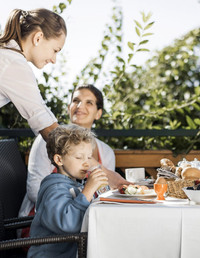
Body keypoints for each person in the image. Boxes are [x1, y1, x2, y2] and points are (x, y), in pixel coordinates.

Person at [18, 85, 130, 226]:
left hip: (87, 219)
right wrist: (84, 194)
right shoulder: (48, 140)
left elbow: (105, 194)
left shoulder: (106, 151)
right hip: (45, 222)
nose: (80, 106)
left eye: (89, 102)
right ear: (69, 107)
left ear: (98, 113)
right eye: (76, 100)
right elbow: (34, 191)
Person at [27, 124, 108, 257]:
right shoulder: (55, 189)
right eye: (79, 157)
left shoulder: (74, 184)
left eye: (88, 157)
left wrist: (99, 189)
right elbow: (68, 224)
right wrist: (87, 191)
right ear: (59, 159)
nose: (87, 163)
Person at [0, 8, 66, 140]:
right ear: (38, 37)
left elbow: (40, 108)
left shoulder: (7, 55)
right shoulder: (13, 63)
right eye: (55, 50)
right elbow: (42, 119)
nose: (54, 60)